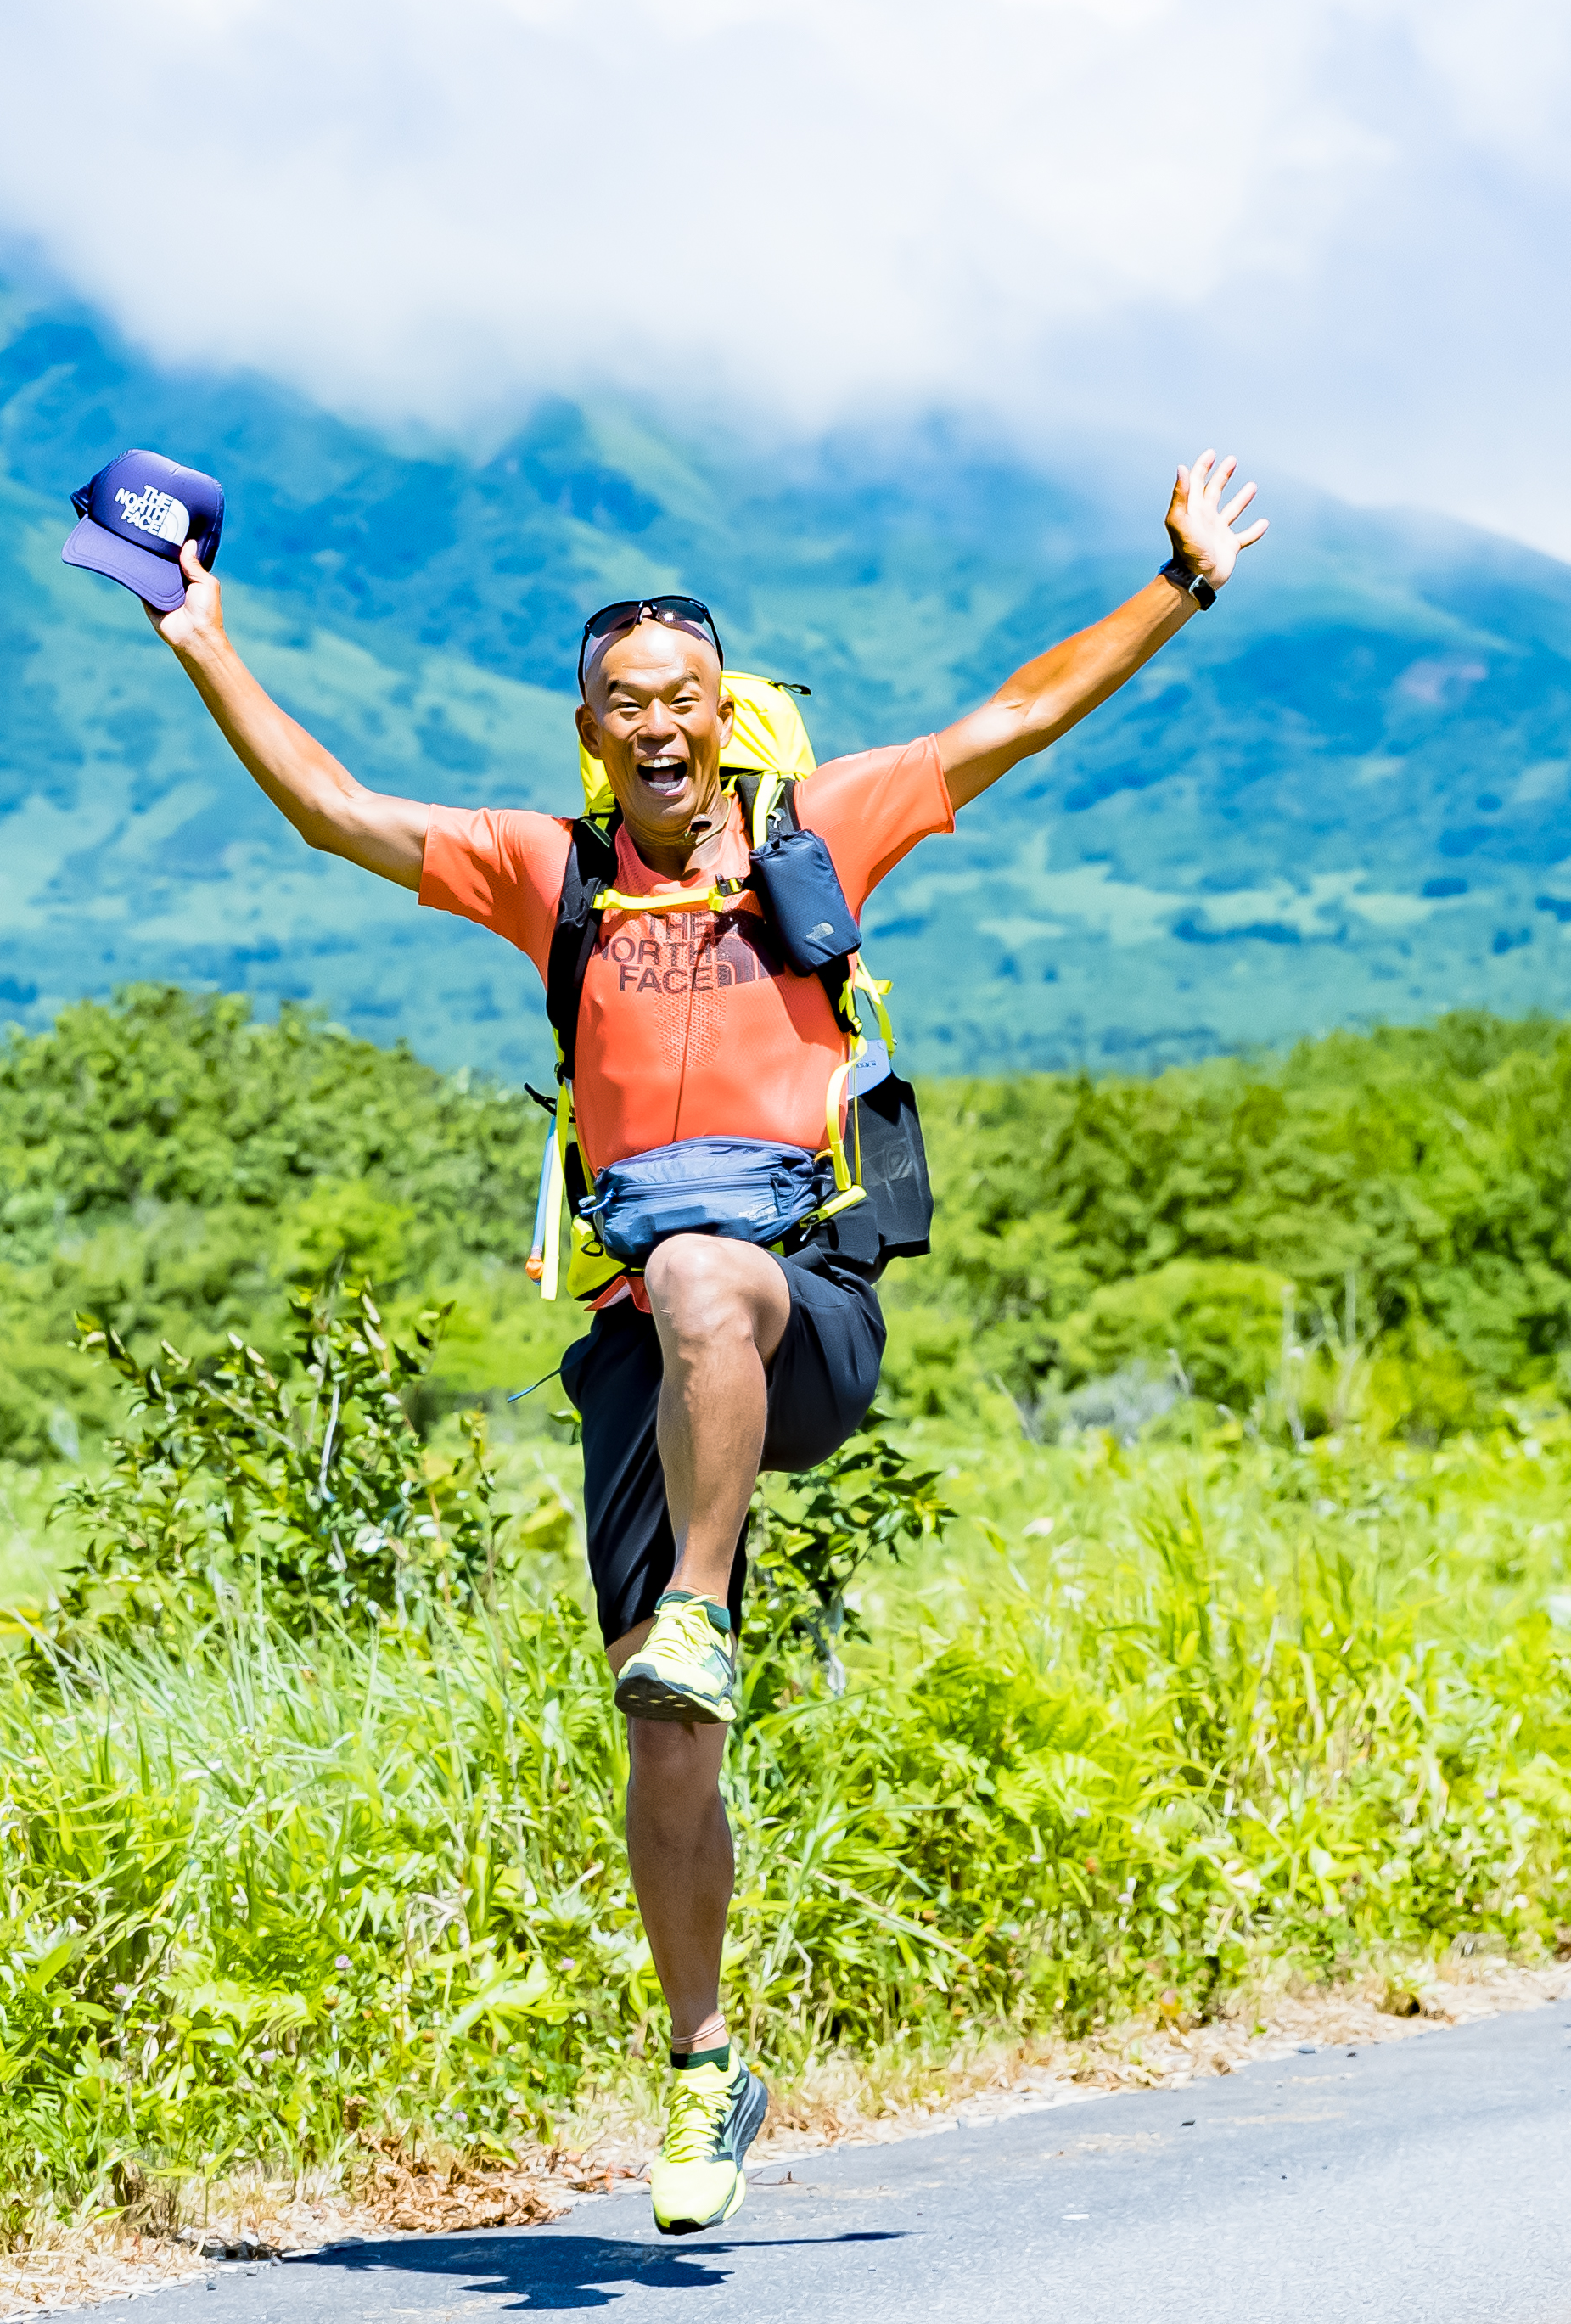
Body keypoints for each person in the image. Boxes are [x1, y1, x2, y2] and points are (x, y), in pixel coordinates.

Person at [140, 451, 1273, 2233]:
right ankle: (699, 2063)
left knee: (693, 1275)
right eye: (619, 706)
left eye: (679, 697)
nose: (652, 726)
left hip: (794, 1304)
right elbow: (334, 810)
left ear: (718, 714)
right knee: (663, 1750)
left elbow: (1017, 715)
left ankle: (700, 1596)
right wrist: (198, 637)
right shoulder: (552, 874)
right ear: (587, 736)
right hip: (637, 1365)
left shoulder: (825, 839)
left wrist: (1178, 584)